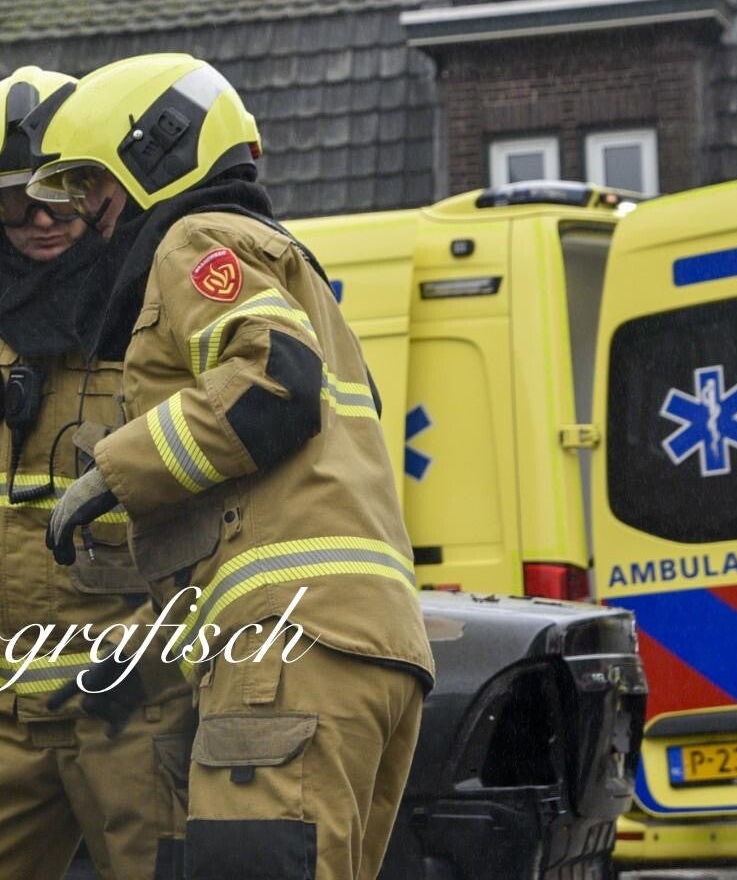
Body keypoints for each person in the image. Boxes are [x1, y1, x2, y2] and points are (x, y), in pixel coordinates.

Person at [26, 53, 434, 880]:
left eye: (92, 183)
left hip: (285, 656)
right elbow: (274, 502)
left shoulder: (196, 239)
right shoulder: (290, 270)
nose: (86, 212)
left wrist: (114, 471)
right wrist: (151, 647)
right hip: (367, 650)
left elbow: (275, 380)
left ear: (153, 153)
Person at [0, 67, 196, 879]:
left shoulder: (158, 303)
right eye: (11, 200)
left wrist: (165, 658)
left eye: (62, 195)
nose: (39, 218)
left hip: (132, 707)